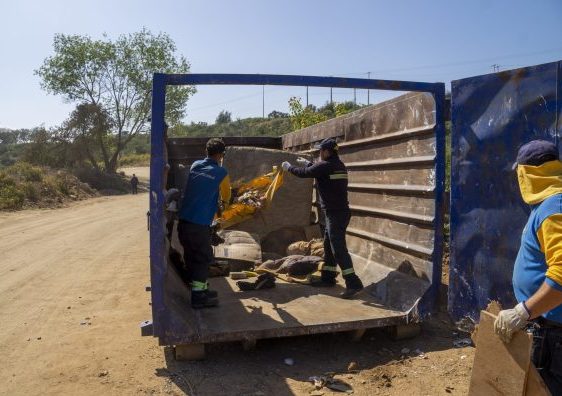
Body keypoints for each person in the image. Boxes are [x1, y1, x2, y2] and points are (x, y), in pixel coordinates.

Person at [494, 140, 562, 393]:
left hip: (554, 336)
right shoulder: (550, 205)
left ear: (527, 174)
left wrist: (523, 312)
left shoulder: (555, 208)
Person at [281, 138, 364, 299]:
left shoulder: (326, 165)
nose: (319, 154)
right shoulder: (337, 164)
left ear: (326, 152)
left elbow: (305, 174)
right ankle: (328, 277)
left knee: (338, 249)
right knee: (328, 246)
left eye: (320, 151)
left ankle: (353, 283)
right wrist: (309, 164)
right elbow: (319, 171)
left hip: (336, 214)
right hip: (337, 212)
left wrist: (289, 167)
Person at [178, 138, 231, 309]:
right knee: (203, 260)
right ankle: (199, 298)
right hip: (199, 225)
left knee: (192, 258)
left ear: (206, 152)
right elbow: (227, 197)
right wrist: (223, 207)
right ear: (221, 155)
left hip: (184, 222)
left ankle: (200, 290)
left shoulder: (195, 165)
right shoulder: (222, 172)